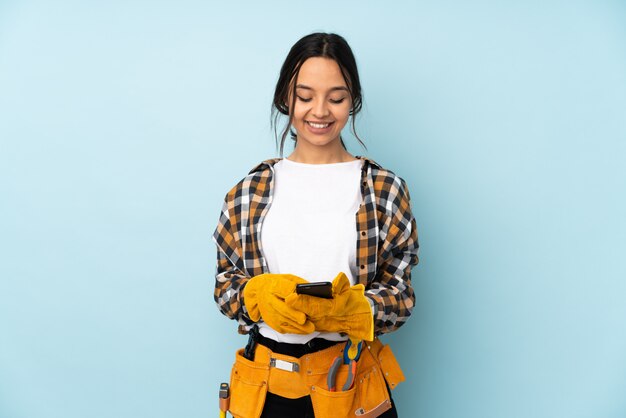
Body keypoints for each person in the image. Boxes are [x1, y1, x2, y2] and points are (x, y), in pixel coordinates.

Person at [212, 32, 419, 418]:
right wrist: (256, 295)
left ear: (352, 101)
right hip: (266, 386)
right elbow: (225, 288)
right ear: (284, 99)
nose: (319, 111)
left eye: (336, 98)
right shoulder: (247, 192)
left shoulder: (384, 190)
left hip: (350, 380)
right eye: (305, 97)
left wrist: (351, 310)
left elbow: (401, 298)